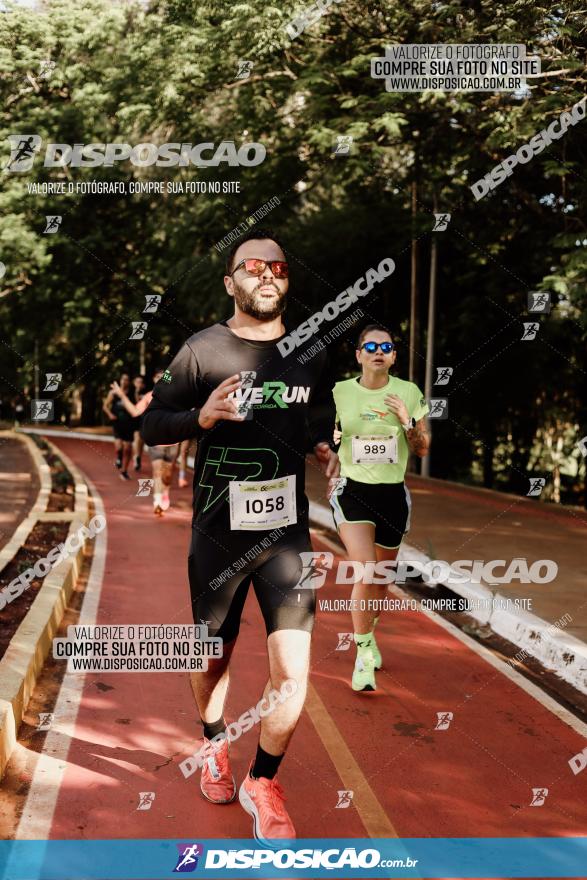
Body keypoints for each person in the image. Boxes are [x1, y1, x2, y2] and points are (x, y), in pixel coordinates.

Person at [141, 229, 338, 845]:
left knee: (294, 669)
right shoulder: (201, 350)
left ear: (287, 279)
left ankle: (264, 780)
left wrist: (328, 450)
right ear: (231, 282)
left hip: (287, 537)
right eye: (251, 266)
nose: (266, 274)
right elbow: (151, 425)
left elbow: (318, 422)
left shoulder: (310, 352)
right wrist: (198, 418)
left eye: (277, 266)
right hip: (218, 535)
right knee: (213, 654)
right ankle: (213, 741)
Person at [329, 324, 430, 692]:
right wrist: (329, 451)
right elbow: (329, 435)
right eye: (369, 346)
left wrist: (407, 420)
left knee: (382, 581)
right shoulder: (340, 392)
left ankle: (369, 636)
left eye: (385, 346)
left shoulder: (409, 392)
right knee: (366, 572)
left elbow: (421, 448)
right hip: (353, 492)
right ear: (358, 354)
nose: (378, 351)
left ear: (393, 356)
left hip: (392, 495)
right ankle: (363, 652)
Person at [111, 371, 179, 515]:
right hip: (155, 441)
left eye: (163, 377)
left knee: (167, 475)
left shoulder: (176, 395)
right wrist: (122, 395)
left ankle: (165, 491)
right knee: (157, 470)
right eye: (157, 377)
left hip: (173, 442)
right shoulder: (149, 396)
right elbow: (135, 411)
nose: (160, 379)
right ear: (154, 380)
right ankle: (157, 500)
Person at [103, 372, 135, 480]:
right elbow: (105, 406)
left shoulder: (131, 393)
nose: (124, 381)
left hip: (129, 424)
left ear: (129, 382)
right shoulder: (113, 393)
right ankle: (119, 457)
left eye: (127, 380)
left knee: (128, 448)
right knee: (119, 446)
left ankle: (124, 471)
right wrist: (110, 414)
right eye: (123, 379)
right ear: (120, 380)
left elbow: (137, 405)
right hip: (117, 423)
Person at [132, 374, 147, 472]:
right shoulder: (129, 392)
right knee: (136, 439)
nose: (139, 384)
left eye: (140, 382)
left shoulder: (146, 394)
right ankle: (136, 457)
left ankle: (138, 458)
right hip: (132, 420)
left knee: (140, 442)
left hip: (142, 419)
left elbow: (139, 405)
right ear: (134, 383)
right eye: (137, 382)